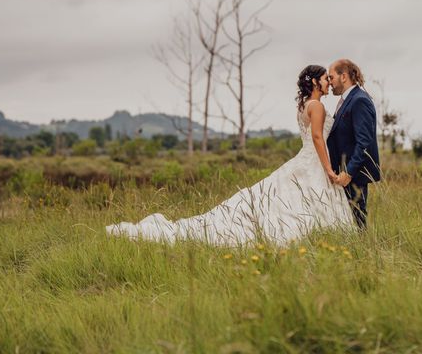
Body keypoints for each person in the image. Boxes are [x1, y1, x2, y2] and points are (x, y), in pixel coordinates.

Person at [106, 64, 355, 246]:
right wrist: (329, 170)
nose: (328, 83)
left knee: (293, 202)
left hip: (305, 159)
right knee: (303, 202)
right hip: (314, 161)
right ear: (314, 82)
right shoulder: (318, 106)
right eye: (325, 79)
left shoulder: (303, 106)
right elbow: (316, 138)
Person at [326, 59, 381, 229]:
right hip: (343, 175)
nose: (329, 82)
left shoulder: (359, 100)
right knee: (348, 222)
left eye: (331, 77)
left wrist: (348, 173)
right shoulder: (347, 100)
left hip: (353, 175)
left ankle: (363, 253)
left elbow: (364, 141)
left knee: (357, 221)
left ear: (343, 77)